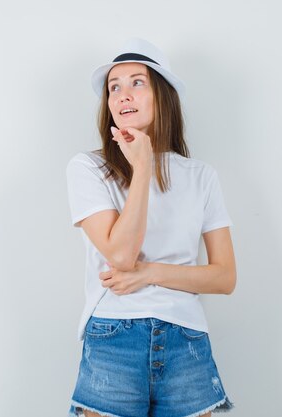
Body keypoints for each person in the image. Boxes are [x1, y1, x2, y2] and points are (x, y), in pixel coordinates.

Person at [66, 38, 236, 417]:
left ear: (164, 96)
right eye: (114, 87)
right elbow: (121, 255)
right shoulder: (87, 169)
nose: (123, 94)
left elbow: (225, 277)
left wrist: (150, 273)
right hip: (115, 339)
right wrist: (142, 166)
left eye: (137, 82)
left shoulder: (201, 176)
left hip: (186, 341)